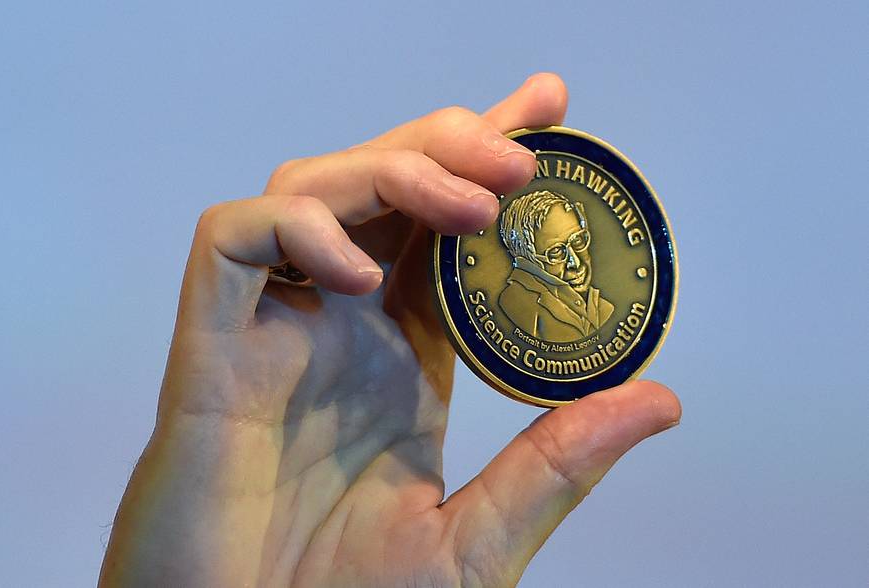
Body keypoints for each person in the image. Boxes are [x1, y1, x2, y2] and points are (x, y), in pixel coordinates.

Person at [98, 73, 681, 587]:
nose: (580, 260)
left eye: (582, 242)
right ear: (525, 255)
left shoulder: (592, 305)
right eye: (562, 250)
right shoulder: (525, 307)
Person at [498, 190, 614, 342]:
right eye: (557, 251)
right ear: (529, 260)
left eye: (578, 240)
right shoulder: (516, 304)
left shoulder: (603, 307)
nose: (576, 263)